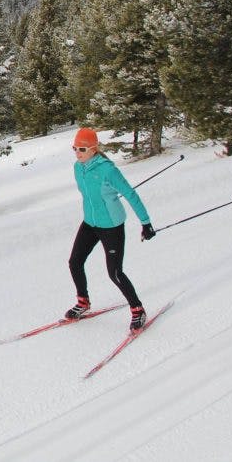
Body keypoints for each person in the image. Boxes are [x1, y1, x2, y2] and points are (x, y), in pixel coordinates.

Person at [65, 127, 156, 331]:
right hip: (90, 222)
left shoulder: (108, 170)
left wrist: (145, 222)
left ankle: (137, 309)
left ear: (94, 149)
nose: (78, 152)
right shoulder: (78, 168)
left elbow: (130, 194)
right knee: (75, 262)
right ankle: (83, 302)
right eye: (75, 148)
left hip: (111, 225)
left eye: (82, 148)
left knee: (115, 273)